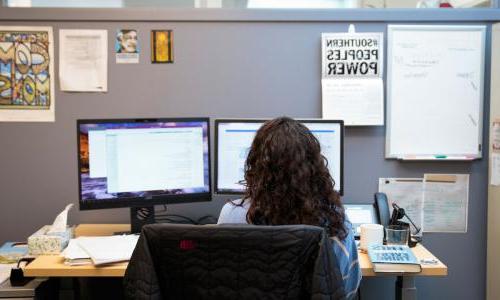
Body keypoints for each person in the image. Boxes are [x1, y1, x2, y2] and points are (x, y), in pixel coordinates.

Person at [217, 116, 361, 299]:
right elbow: (345, 291)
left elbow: (223, 283)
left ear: (256, 165)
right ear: (314, 167)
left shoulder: (231, 215)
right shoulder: (336, 222)